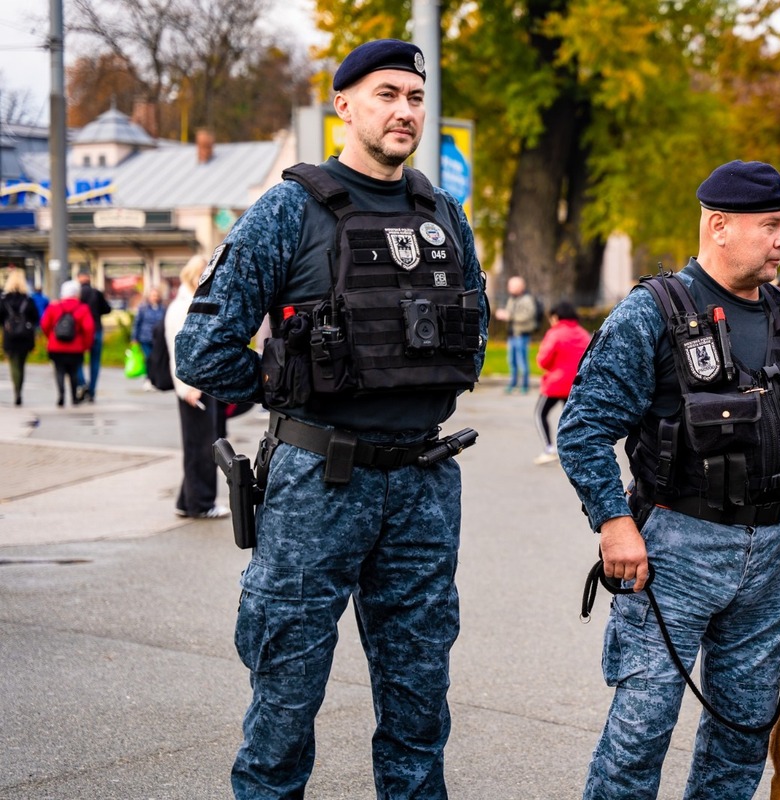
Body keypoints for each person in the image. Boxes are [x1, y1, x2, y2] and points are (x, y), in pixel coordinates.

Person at [173, 38, 488, 799]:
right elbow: (202, 348)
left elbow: (470, 334)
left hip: (422, 480)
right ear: (343, 105)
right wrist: (291, 383)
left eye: (415, 97)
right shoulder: (291, 209)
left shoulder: (446, 215)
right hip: (320, 482)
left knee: (420, 710)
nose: (404, 111)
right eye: (386, 94)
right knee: (285, 702)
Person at [557, 160, 780, 799]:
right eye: (771, 226)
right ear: (719, 226)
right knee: (641, 731)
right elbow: (581, 428)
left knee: (742, 736)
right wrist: (614, 522)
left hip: (771, 553)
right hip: (672, 551)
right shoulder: (651, 314)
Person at [164, 257, 229, 520]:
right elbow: (177, 351)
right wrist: (186, 387)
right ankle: (201, 503)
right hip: (194, 387)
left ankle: (187, 500)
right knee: (202, 447)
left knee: (199, 444)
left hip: (199, 384)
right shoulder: (183, 308)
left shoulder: (190, 304)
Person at [532, 301, 590, 464]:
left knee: (540, 414)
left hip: (556, 383)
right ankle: (574, 450)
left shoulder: (555, 333)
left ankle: (549, 448)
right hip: (576, 384)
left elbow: (543, 360)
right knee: (572, 418)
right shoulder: (583, 333)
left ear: (556, 317)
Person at [41, 280, 95, 407]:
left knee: (59, 371)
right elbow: (89, 328)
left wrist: (51, 337)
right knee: (74, 372)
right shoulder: (83, 308)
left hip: (56, 346)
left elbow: (44, 324)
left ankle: (61, 395)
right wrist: (86, 345)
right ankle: (74, 397)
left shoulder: (54, 307)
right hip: (76, 347)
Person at [1, 270, 42, 405]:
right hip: (25, 336)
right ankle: (20, 391)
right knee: (22, 364)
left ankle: (16, 391)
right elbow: (36, 317)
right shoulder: (28, 300)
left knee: (13, 364)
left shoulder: (4, 300)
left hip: (9, 336)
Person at [495, 275, 538, 393]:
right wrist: (503, 314)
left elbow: (527, 315)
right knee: (511, 360)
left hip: (522, 334)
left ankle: (524, 384)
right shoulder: (511, 299)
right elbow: (509, 313)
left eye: (512, 285)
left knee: (522, 360)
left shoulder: (527, 300)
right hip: (512, 335)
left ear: (521, 287)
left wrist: (510, 316)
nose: (510, 288)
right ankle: (513, 383)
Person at [75, 270, 112, 402]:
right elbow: (107, 309)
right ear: (89, 278)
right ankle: (92, 391)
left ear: (78, 278)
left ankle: (82, 383)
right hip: (96, 330)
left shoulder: (77, 294)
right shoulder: (97, 293)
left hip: (80, 332)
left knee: (77, 360)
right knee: (95, 362)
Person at [133, 285, 167, 362]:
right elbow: (137, 323)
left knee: (157, 359)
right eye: (153, 296)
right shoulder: (143, 308)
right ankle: (150, 373)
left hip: (158, 338)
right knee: (149, 358)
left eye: (157, 296)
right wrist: (134, 338)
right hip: (145, 338)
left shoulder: (163, 308)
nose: (155, 297)